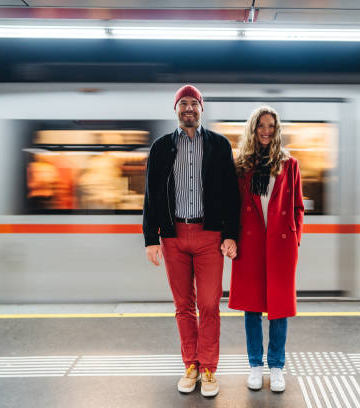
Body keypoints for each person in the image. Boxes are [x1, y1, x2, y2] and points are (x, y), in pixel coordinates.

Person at [142, 85, 240, 397]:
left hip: (209, 234)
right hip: (172, 236)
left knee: (209, 304)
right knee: (183, 305)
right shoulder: (160, 148)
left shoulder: (219, 146)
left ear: (201, 109)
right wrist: (151, 238)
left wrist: (230, 235)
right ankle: (191, 365)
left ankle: (209, 367)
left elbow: (231, 195)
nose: (189, 109)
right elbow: (151, 196)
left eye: (194, 104)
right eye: (183, 103)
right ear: (175, 109)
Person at [229, 106, 304, 392]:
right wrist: (231, 237)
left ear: (276, 130)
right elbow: (233, 206)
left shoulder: (290, 164)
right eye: (261, 125)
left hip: (281, 245)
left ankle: (276, 366)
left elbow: (297, 206)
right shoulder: (241, 166)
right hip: (249, 243)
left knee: (279, 309)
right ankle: (255, 365)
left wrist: (294, 238)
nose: (266, 130)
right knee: (251, 308)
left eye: (271, 125)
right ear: (253, 128)